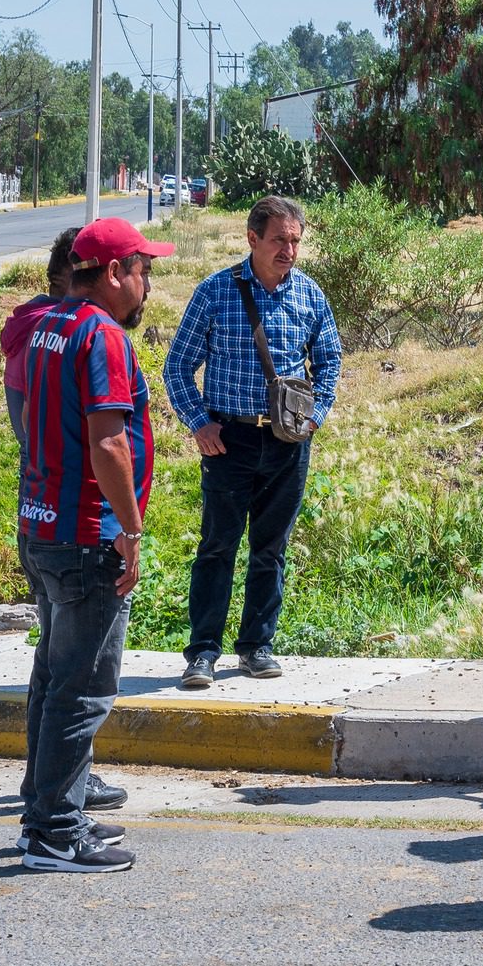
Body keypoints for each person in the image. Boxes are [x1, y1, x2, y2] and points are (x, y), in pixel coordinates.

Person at [14, 216, 173, 872]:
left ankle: (51, 814)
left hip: (41, 526)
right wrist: (130, 531)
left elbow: (30, 416)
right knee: (81, 689)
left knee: (53, 680)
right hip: (85, 538)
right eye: (143, 269)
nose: (148, 283)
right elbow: (109, 442)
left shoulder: (49, 325)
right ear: (113, 273)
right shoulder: (103, 336)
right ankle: (54, 832)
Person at [163, 196, 343, 689]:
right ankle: (202, 653)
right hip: (228, 440)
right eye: (279, 239)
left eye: (295, 241)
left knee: (271, 549)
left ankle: (256, 646)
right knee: (217, 547)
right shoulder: (216, 291)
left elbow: (329, 361)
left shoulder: (310, 295)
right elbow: (177, 365)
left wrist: (316, 417)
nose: (289, 249)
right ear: (252, 239)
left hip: (288, 442)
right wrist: (200, 424)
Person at [0, 227, 80, 444]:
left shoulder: (29, 315)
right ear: (75, 275)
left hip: (30, 449)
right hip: (49, 456)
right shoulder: (59, 326)